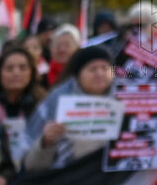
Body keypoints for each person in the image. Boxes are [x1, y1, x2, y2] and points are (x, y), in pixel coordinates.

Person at [22, 45, 118, 174]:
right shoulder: (57, 100)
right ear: (78, 75)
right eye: (92, 69)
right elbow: (32, 165)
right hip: (67, 176)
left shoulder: (126, 99)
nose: (99, 73)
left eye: (105, 68)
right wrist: (46, 142)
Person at [0, 45, 46, 161]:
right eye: (9, 68)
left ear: (32, 72)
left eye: (23, 68)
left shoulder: (43, 103)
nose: (16, 73)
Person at [45, 23, 81, 88]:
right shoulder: (42, 78)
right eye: (58, 45)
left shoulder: (84, 76)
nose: (62, 50)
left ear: (77, 48)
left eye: (67, 45)